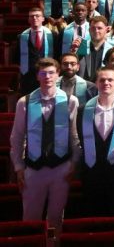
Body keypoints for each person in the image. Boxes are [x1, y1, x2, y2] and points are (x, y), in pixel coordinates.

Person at [10, 58, 80, 229]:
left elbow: (74, 136)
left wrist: (74, 163)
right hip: (34, 168)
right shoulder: (24, 103)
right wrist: (19, 166)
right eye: (43, 73)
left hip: (61, 168)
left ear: (58, 75)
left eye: (51, 73)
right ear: (37, 77)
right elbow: (17, 137)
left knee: (56, 219)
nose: (47, 76)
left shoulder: (71, 101)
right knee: (30, 218)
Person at [77, 67, 114, 217]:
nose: (106, 83)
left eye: (110, 80)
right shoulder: (83, 110)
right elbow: (81, 138)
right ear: (96, 83)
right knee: (93, 216)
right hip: (92, 173)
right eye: (102, 80)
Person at [19, 8, 56, 94]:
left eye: (37, 16)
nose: (34, 18)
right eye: (32, 16)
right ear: (28, 19)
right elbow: (17, 58)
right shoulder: (21, 37)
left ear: (43, 18)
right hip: (28, 78)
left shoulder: (53, 35)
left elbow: (57, 55)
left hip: (48, 76)